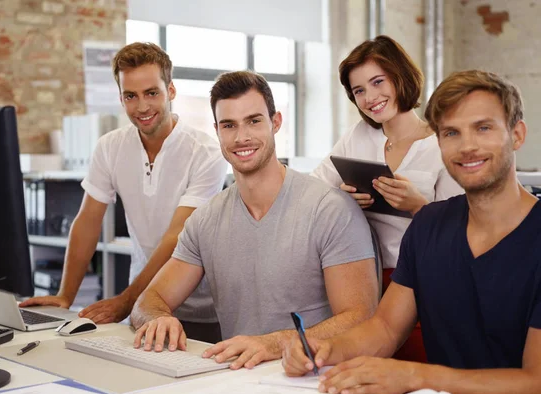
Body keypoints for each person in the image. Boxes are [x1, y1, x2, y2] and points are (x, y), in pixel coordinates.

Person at [282, 70, 541, 394]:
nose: (467, 146)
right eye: (451, 133)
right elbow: (386, 328)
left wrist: (417, 375)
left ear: (517, 135)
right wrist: (326, 349)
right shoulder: (428, 224)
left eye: (483, 128)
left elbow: (536, 382)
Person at [130, 71, 379, 370]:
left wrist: (272, 344)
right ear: (217, 131)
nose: (241, 137)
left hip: (317, 380)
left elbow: (361, 318)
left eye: (254, 121)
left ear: (276, 123)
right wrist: (158, 318)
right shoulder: (205, 221)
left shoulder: (330, 209)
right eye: (229, 125)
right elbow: (149, 299)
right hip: (236, 380)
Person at [20, 42, 228, 343]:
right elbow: (87, 221)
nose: (142, 107)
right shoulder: (110, 147)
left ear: (171, 91)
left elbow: (177, 236)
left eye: (151, 93)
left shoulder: (206, 152)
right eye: (131, 96)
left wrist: (126, 300)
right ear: (121, 98)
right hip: (144, 307)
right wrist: (65, 295)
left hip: (200, 309)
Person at [311, 35, 463, 361]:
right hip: (363, 279)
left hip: (425, 281)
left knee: (418, 369)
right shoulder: (357, 136)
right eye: (359, 90)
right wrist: (342, 198)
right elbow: (314, 192)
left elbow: (464, 229)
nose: (370, 97)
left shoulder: (441, 142)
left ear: (400, 76)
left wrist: (419, 207)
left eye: (378, 82)